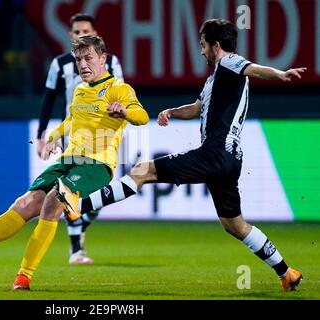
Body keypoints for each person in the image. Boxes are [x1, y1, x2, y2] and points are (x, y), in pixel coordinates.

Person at [57, 19, 306, 292]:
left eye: (202, 45)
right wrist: (173, 112)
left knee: (143, 170)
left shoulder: (229, 62)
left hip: (215, 152)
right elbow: (199, 107)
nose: (201, 52)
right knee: (235, 225)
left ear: (216, 45)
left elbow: (252, 68)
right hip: (231, 159)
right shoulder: (217, 79)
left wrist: (280, 74)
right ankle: (286, 272)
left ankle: (78, 205)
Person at [0, 35, 149, 290]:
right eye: (79, 59)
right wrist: (52, 137)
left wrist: (124, 112)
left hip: (96, 165)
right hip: (68, 159)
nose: (83, 64)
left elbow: (142, 116)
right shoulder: (80, 89)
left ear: (103, 59)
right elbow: (72, 121)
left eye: (89, 58)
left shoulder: (118, 89)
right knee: (24, 203)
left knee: (53, 201)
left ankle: (24, 276)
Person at [37, 13, 124, 265]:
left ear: (95, 33)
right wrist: (42, 135)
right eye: (76, 32)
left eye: (86, 31)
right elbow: (48, 99)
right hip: (73, 138)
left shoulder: (112, 62)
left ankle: (82, 222)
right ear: (70, 35)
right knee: (66, 191)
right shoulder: (60, 64)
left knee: (94, 198)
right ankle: (76, 249)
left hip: (103, 136)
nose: (81, 35)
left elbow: (120, 93)